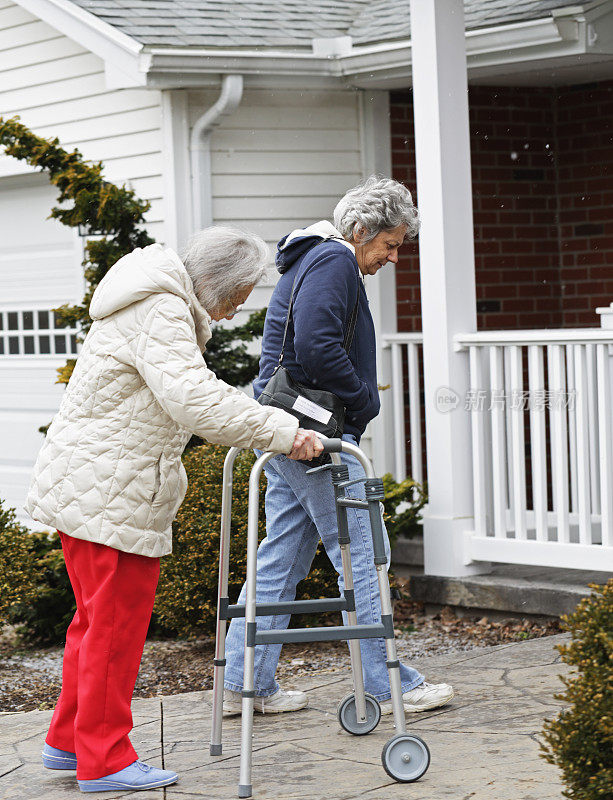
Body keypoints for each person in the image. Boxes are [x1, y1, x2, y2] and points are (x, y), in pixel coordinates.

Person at [24, 227, 323, 792]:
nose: (234, 315)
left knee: (92, 626)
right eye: (237, 300)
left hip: (94, 486)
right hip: (112, 492)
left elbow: (187, 391)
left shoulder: (151, 300)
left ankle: (70, 743)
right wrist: (283, 432)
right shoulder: (162, 309)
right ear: (216, 285)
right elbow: (195, 399)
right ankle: (106, 761)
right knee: (112, 631)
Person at [222, 176, 454, 716]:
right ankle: (387, 681)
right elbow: (317, 345)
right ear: (360, 231)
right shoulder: (334, 261)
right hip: (313, 436)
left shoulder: (312, 257)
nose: (393, 257)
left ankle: (243, 682)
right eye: (390, 244)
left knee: (283, 553)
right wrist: (363, 396)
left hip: (285, 426)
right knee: (364, 550)